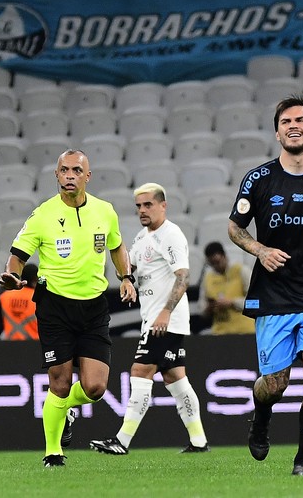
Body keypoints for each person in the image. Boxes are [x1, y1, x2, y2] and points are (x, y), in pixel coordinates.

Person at [228, 93, 303, 476]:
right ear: (278, 132)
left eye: (300, 120)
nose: (293, 126)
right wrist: (260, 249)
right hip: (274, 294)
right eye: (286, 122)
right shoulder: (259, 179)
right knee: (275, 383)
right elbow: (235, 228)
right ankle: (262, 416)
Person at [0, 149, 137, 468]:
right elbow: (18, 255)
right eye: (63, 170)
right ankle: (53, 451)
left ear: (87, 176)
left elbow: (117, 246)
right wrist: (14, 276)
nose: (69, 176)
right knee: (59, 381)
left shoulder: (105, 211)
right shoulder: (43, 214)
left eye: (76, 170)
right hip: (55, 306)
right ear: (56, 175)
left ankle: (67, 411)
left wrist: (126, 276)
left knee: (95, 387)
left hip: (94, 307)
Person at [89, 183, 209, 455]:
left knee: (140, 371)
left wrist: (165, 312)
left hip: (163, 321)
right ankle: (199, 441)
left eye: (148, 205)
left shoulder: (171, 235)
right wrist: (127, 281)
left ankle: (122, 440)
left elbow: (183, 276)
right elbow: (132, 270)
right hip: (154, 319)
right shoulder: (142, 238)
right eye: (139, 206)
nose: (142, 210)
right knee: (176, 379)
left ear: (163, 205)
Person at [199, 241, 254, 334]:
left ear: (224, 256)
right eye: (211, 263)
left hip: (245, 331)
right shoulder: (208, 277)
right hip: (220, 332)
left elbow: (256, 303)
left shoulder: (242, 271)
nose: (215, 266)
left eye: (217, 262)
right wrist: (209, 308)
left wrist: (232, 303)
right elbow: (201, 309)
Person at [0, 263, 39, 340]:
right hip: (34, 344)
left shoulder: (5, 296)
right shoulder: (38, 298)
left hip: (10, 343)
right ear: (35, 279)